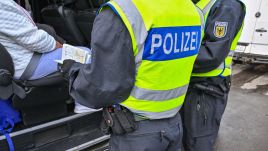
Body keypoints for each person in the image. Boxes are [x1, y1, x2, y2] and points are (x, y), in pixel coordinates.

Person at [61, 0, 203, 150]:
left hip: (137, 134)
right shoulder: (193, 11)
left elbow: (101, 88)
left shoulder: (124, 12)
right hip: (174, 125)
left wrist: (72, 70)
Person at [180, 0, 246, 151]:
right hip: (189, 85)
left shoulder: (226, 5)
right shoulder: (193, 3)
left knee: (197, 143)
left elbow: (212, 55)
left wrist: (172, 61)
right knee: (182, 140)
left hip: (206, 90)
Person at [0, 0, 63, 80]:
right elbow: (33, 39)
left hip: (18, 59)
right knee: (83, 56)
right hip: (26, 63)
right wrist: (57, 45)